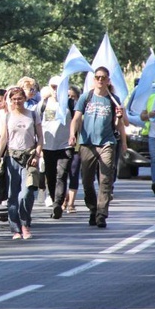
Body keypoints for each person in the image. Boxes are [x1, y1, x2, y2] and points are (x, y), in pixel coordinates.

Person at [68, 67, 127, 229]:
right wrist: (72, 134)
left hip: (107, 143)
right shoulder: (86, 97)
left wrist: (120, 120)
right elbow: (76, 119)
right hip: (87, 144)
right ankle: (93, 208)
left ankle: (101, 214)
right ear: (94, 80)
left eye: (103, 78)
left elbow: (117, 125)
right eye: (97, 77)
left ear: (108, 80)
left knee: (105, 180)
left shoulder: (113, 99)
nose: (100, 80)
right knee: (87, 181)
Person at [0, 86, 43, 240]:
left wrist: (37, 153)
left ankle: (25, 224)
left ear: (24, 98)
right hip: (12, 157)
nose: (17, 102)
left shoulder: (33, 115)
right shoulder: (7, 117)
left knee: (26, 193)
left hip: (29, 157)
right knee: (12, 195)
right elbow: (3, 139)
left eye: (20, 99)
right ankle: (16, 229)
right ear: (10, 100)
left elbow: (40, 138)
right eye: (14, 99)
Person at [39, 78, 74, 219]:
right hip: (48, 146)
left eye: (58, 87)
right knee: (51, 177)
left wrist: (74, 136)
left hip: (65, 146)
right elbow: (35, 122)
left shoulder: (70, 104)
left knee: (62, 175)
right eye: (53, 86)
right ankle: (55, 202)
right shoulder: (43, 104)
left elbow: (78, 121)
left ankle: (58, 204)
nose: (55, 90)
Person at [63, 85, 82, 213]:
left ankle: (71, 203)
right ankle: (63, 199)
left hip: (76, 147)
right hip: (62, 147)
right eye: (68, 97)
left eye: (73, 97)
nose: (71, 99)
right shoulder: (62, 112)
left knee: (74, 174)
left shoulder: (81, 112)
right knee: (62, 174)